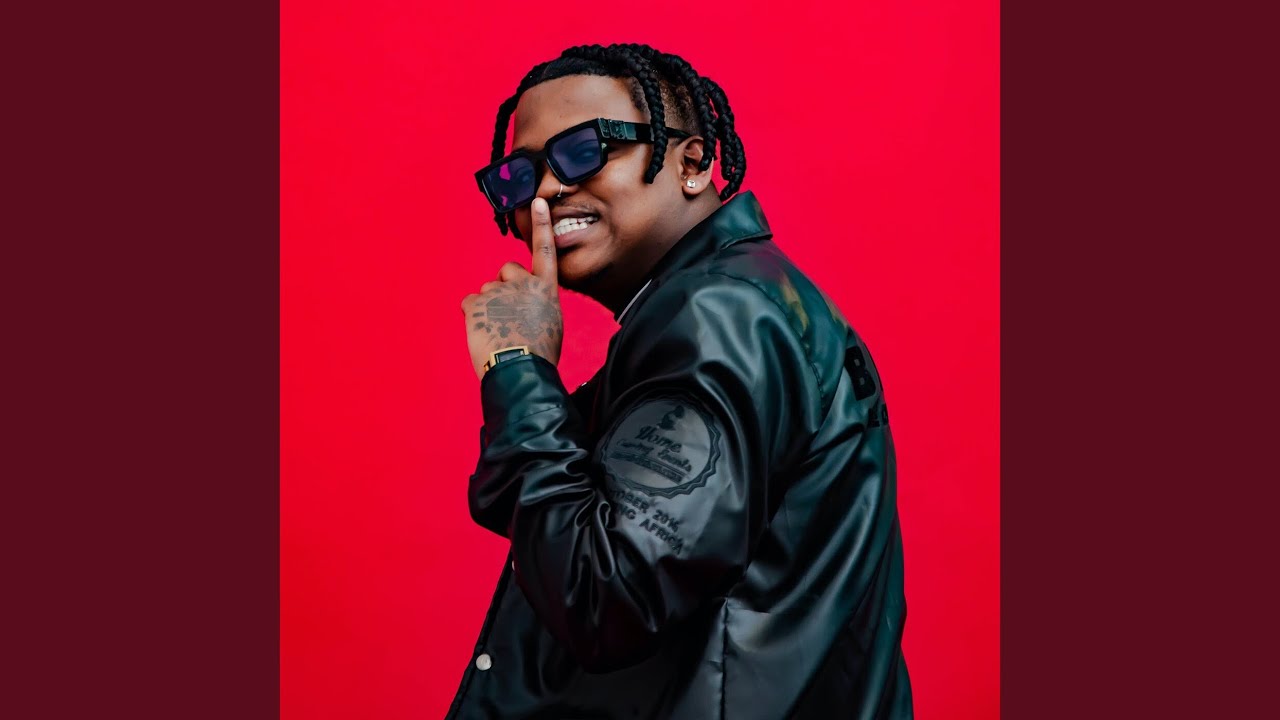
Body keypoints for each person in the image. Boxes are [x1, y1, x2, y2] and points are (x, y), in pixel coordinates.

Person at [452, 43, 912, 719]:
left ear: (691, 163)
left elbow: (603, 597)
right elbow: (525, 508)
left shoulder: (717, 319)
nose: (545, 191)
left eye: (583, 151)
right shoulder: (726, 306)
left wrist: (517, 366)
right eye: (519, 176)